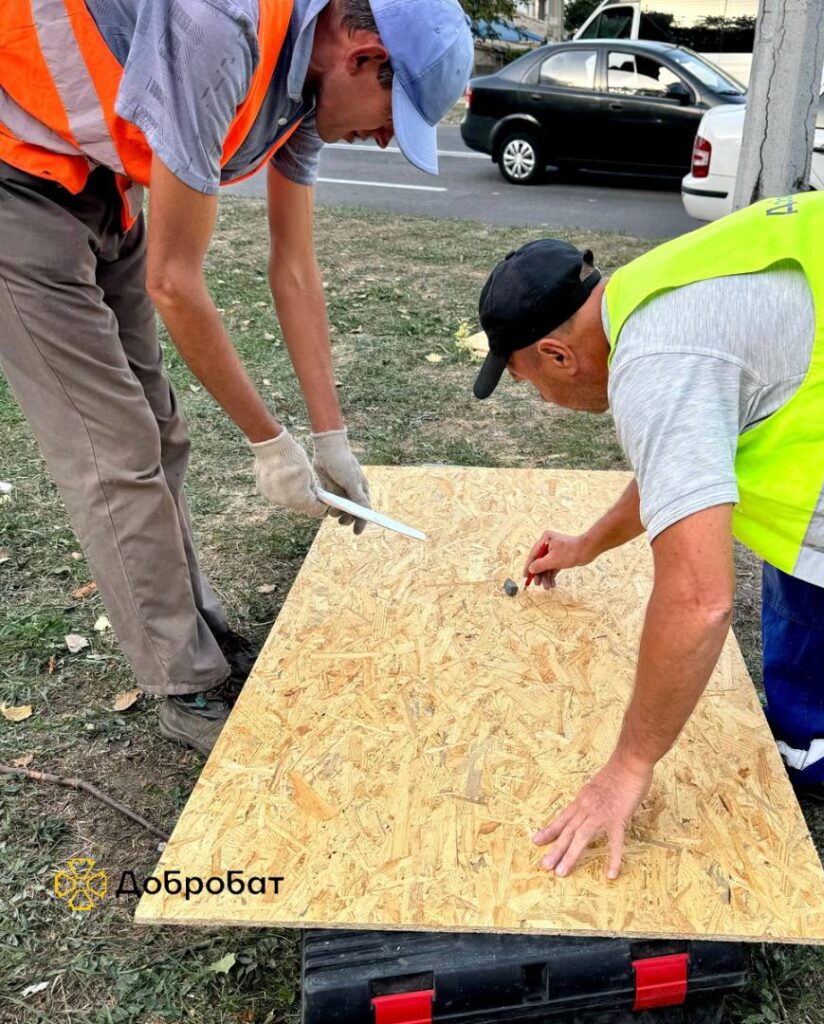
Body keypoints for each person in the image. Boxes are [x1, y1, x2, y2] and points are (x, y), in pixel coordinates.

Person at [472, 190, 824, 879]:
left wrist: (627, 767)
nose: (543, 398)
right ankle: (810, 747)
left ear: (558, 355)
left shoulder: (657, 361)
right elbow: (685, 464)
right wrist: (589, 543)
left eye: (527, 382)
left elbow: (699, 602)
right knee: (808, 541)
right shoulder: (656, 291)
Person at [0, 0, 473, 756]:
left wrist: (330, 437)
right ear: (362, 54)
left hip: (98, 178)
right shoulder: (223, 28)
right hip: (13, 178)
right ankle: (182, 681)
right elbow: (176, 283)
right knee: (114, 443)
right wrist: (269, 442)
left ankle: (197, 633)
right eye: (394, 115)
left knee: (161, 428)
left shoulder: (306, 88)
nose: (387, 139)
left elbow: (294, 269)